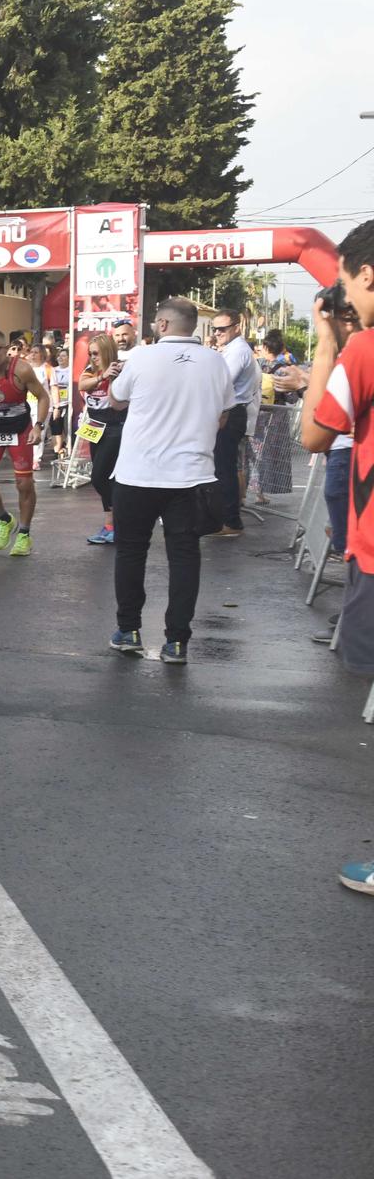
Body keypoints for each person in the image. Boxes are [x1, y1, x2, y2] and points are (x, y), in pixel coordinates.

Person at [299, 226, 374, 893]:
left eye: (345, 280)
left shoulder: (365, 350)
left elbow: (314, 432)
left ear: (367, 275)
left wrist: (328, 342)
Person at [104, 297, 232, 664]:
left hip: (137, 474)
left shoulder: (142, 357)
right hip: (191, 476)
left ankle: (128, 630)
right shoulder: (216, 361)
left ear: (162, 325)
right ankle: (177, 642)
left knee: (131, 551)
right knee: (184, 557)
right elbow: (223, 417)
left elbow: (115, 400)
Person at [0, 329, 51, 557]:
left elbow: (43, 396)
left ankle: (24, 533)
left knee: (24, 484)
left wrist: (39, 425)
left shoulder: (21, 370)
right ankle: (5, 519)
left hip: (18, 430)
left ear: (6, 350)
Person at [209, 310, 260, 536]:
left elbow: (222, 382)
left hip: (231, 413)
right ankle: (225, 519)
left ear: (236, 327)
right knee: (223, 468)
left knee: (224, 468)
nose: (218, 333)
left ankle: (230, 522)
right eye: (215, 329)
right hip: (229, 412)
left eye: (222, 328)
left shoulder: (238, 350)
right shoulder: (232, 349)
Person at [80, 333, 127, 545]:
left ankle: (120, 522)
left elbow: (121, 401)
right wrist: (101, 376)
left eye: (96, 353)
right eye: (90, 353)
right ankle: (110, 526)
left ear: (107, 351)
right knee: (104, 479)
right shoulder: (91, 371)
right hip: (95, 427)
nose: (92, 357)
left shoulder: (121, 371)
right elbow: (82, 385)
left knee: (99, 477)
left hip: (114, 427)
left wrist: (111, 376)